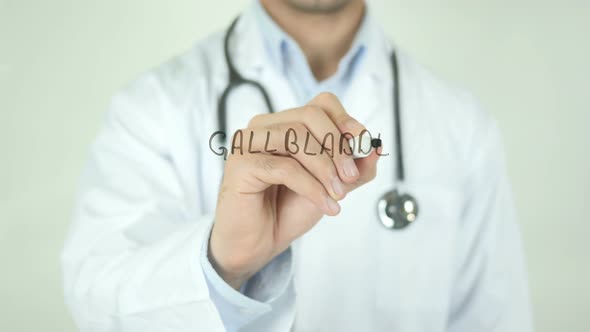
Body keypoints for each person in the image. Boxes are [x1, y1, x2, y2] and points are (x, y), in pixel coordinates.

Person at [61, 0, 533, 331]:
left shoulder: (461, 125)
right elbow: (98, 304)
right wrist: (224, 263)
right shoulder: (154, 107)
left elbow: (494, 321)